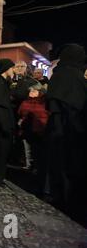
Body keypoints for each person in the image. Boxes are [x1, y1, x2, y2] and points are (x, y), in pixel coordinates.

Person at [46, 44, 87, 224]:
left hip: (55, 128)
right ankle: (70, 203)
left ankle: (59, 197)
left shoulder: (57, 75)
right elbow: (78, 107)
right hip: (73, 130)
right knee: (72, 167)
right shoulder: (76, 78)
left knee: (58, 164)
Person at [17, 83, 50, 195]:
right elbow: (21, 112)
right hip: (28, 130)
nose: (31, 93)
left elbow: (45, 115)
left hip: (40, 131)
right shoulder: (26, 102)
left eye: (33, 91)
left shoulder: (44, 102)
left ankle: (35, 170)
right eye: (30, 91)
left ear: (39, 92)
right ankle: (29, 167)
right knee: (28, 150)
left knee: (38, 153)